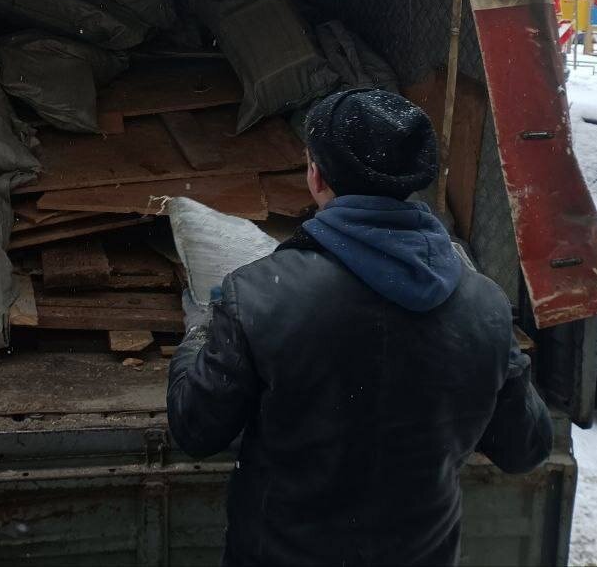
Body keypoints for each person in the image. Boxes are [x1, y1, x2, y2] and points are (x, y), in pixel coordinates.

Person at [167, 88, 552, 566]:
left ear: (315, 175)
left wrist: (200, 330)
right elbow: (526, 449)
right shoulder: (484, 306)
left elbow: (196, 429)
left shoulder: (259, 294)